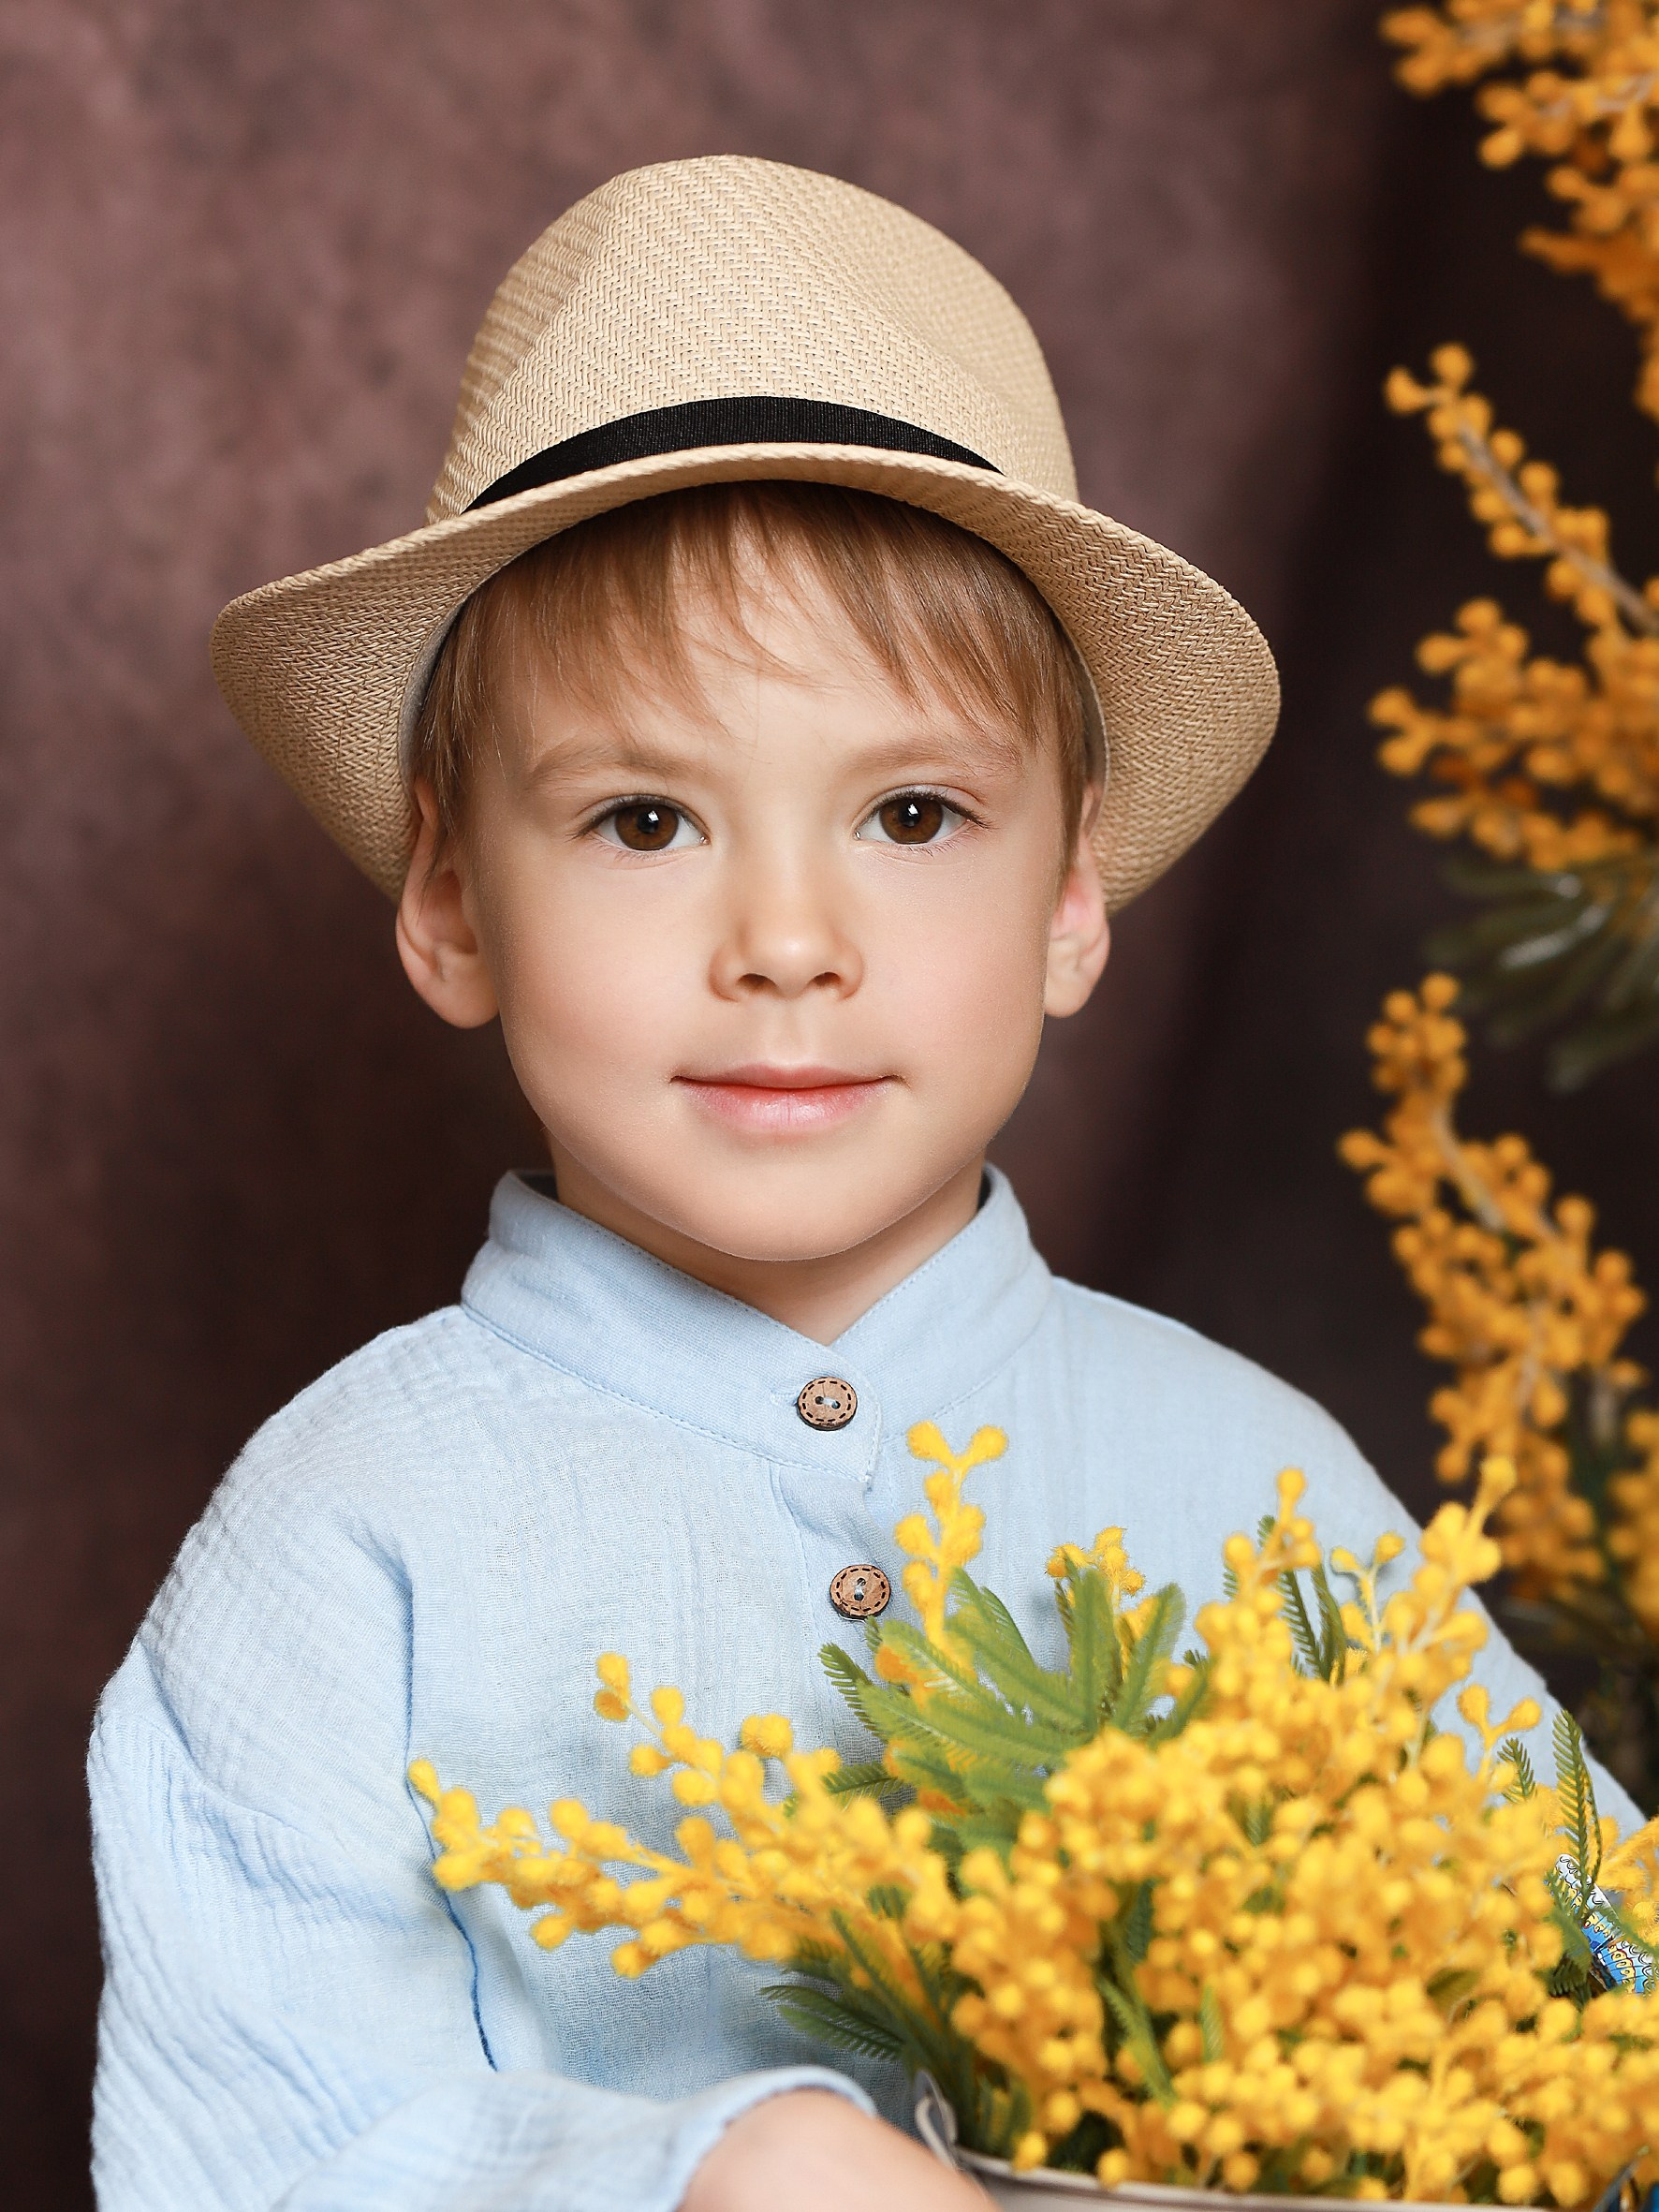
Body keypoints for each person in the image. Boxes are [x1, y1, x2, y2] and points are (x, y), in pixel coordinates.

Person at [87, 155, 1633, 2212]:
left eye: (911, 810)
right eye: (644, 819)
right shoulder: (344, 1541)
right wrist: (718, 2169)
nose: (787, 937)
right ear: (455, 900)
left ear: (1072, 896)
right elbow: (255, 2148)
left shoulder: (1262, 1486)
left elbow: (1598, 1978)